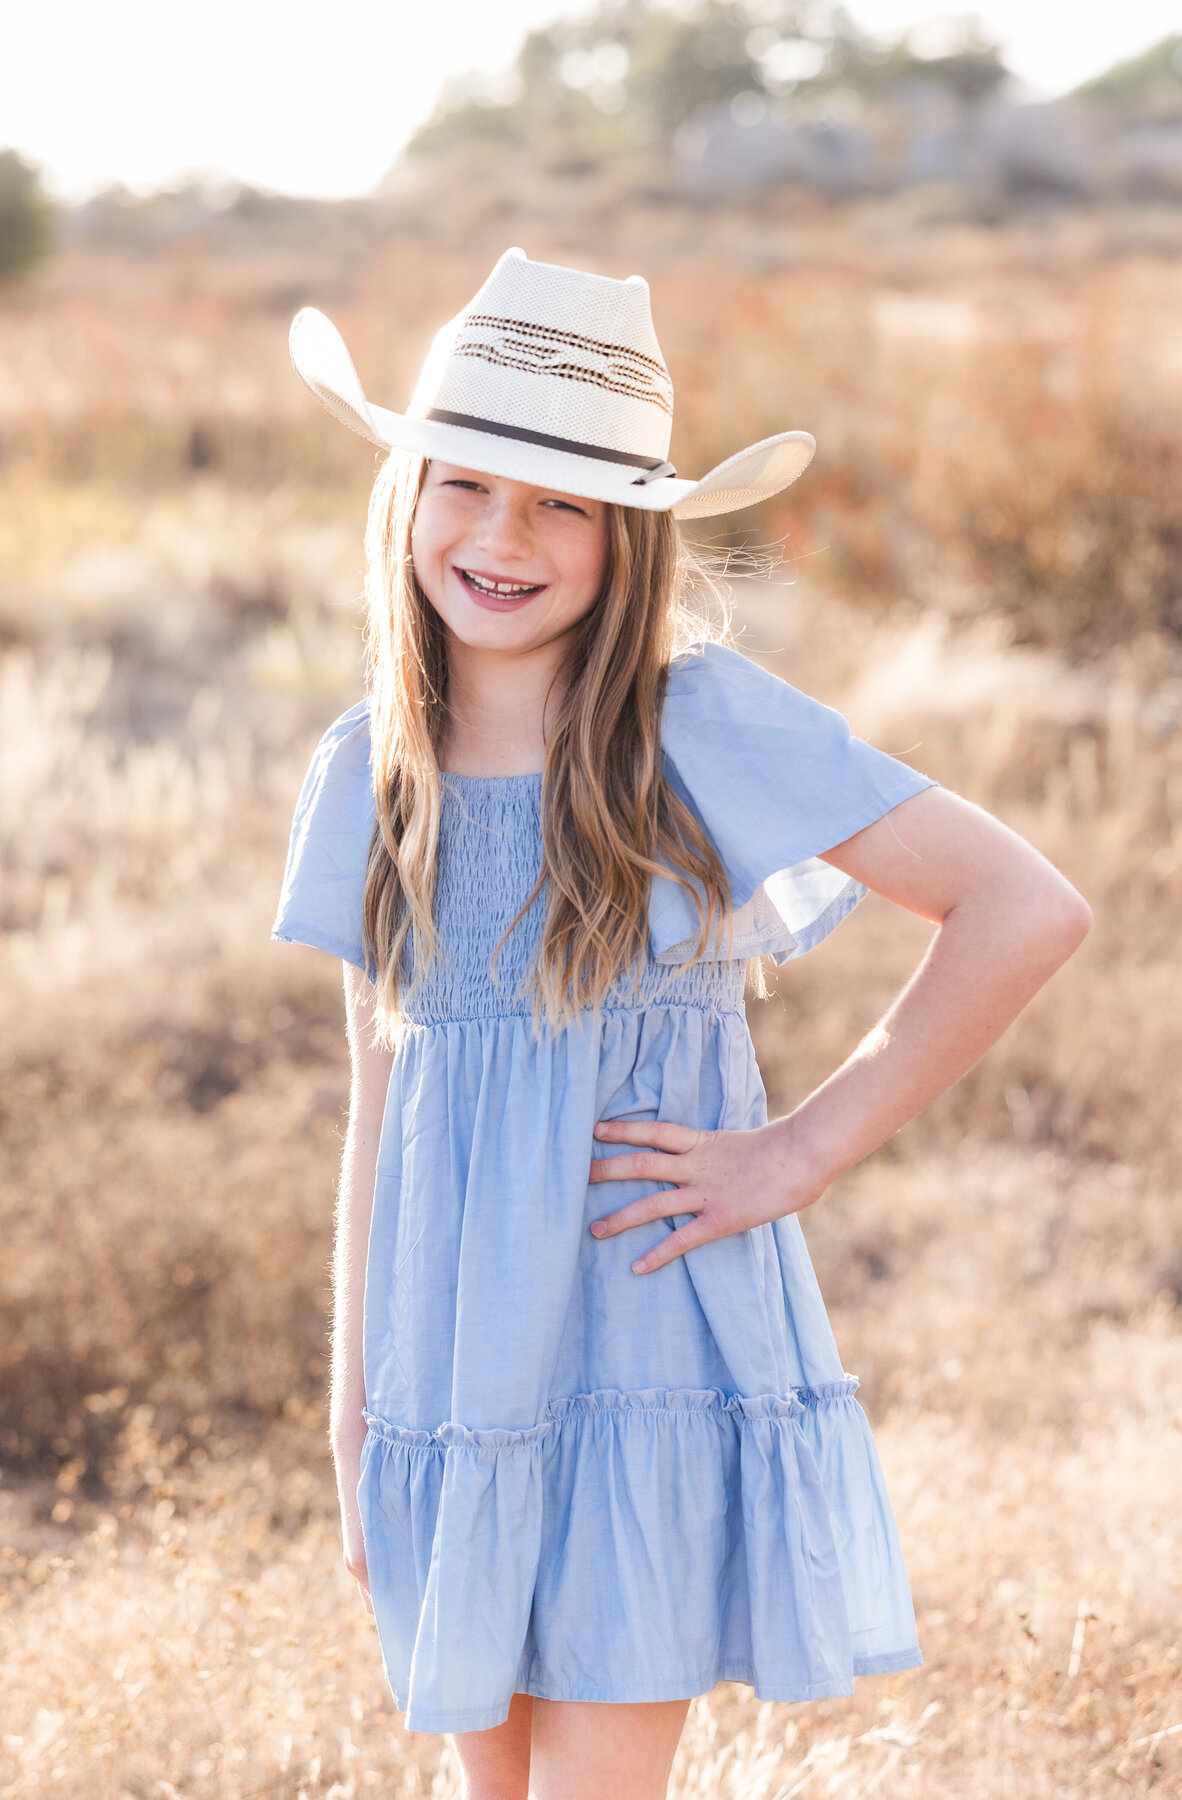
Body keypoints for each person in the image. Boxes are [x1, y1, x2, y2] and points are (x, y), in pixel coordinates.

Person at [272, 248, 1090, 1800]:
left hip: (643, 1331)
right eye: (466, 484)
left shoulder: (689, 723)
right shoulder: (367, 768)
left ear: (629, 533)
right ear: (406, 499)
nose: (503, 536)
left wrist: (800, 1151)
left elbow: (1024, 907)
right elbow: (383, 1097)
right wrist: (354, 1403)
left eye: (562, 502)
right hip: (452, 1365)